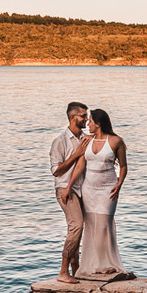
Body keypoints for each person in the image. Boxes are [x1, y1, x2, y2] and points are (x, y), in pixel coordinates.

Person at [66, 108, 127, 276]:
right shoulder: (86, 140)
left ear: (98, 123)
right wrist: (69, 186)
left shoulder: (116, 141)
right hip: (89, 188)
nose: (88, 124)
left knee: (104, 225)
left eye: (91, 121)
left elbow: (123, 166)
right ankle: (94, 265)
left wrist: (119, 184)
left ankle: (106, 264)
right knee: (91, 226)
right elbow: (80, 165)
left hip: (108, 189)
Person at [49, 102, 91, 283]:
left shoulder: (86, 138)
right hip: (65, 189)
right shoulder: (60, 141)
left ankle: (76, 270)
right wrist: (76, 153)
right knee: (77, 226)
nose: (86, 119)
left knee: (78, 231)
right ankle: (63, 272)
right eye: (83, 116)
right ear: (73, 117)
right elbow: (56, 171)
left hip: (83, 190)